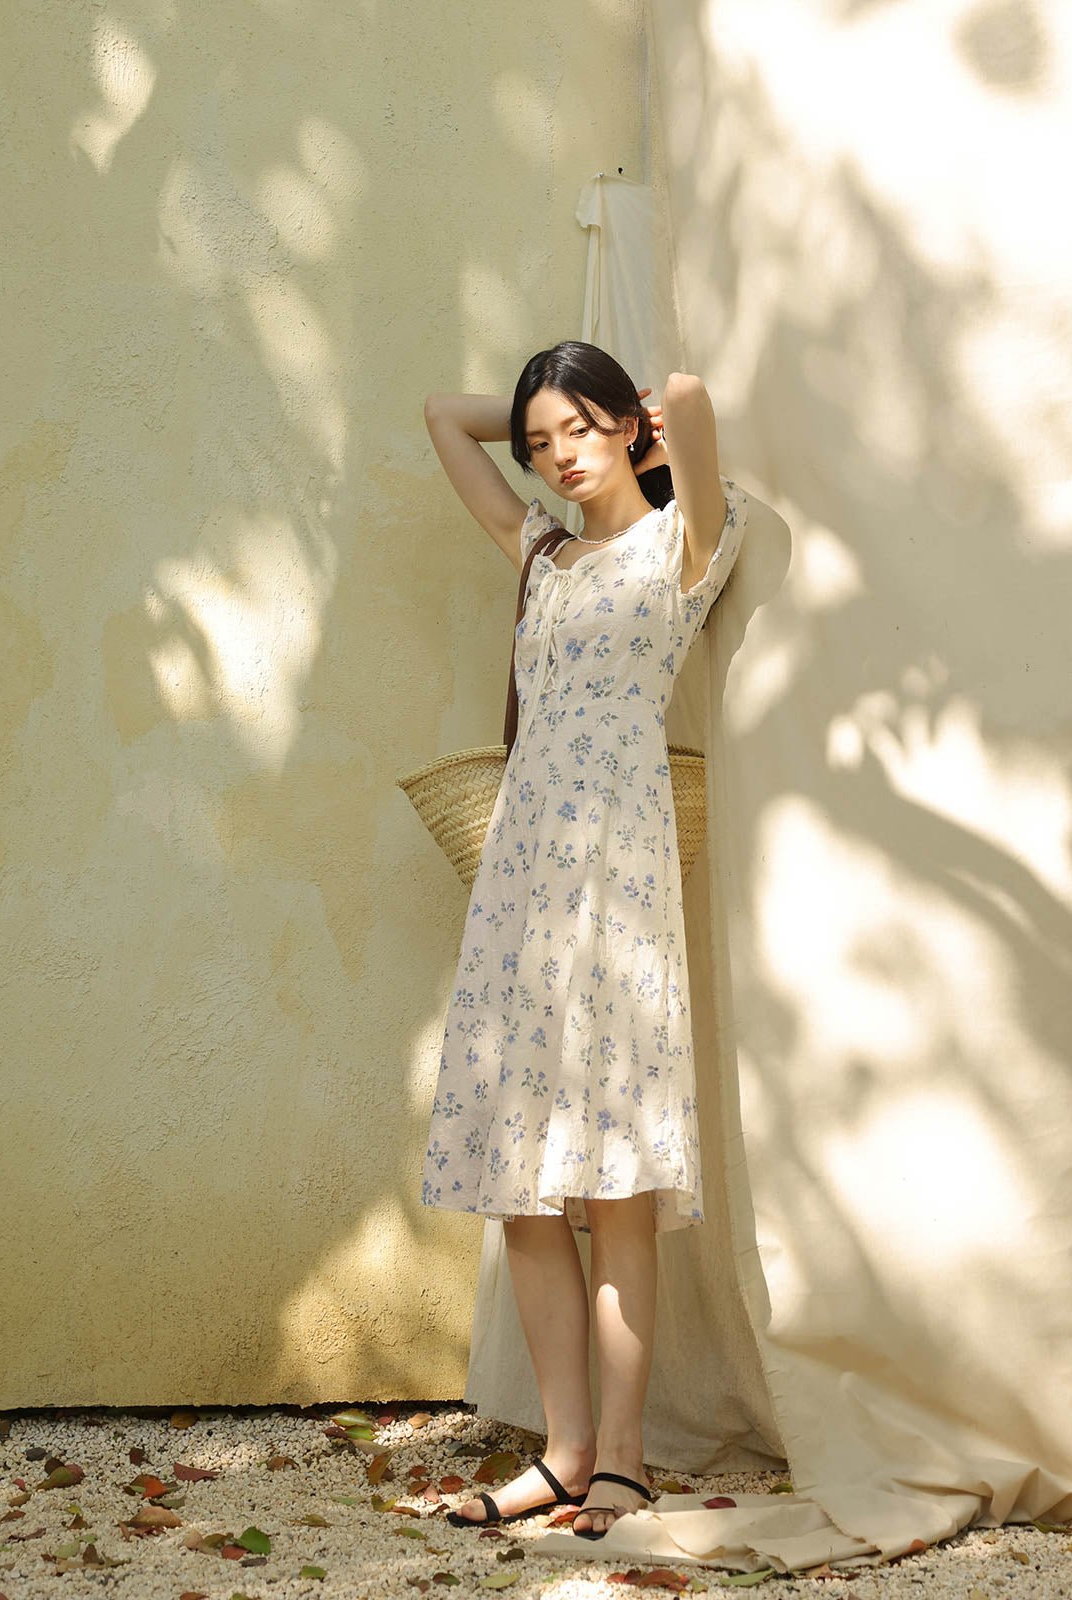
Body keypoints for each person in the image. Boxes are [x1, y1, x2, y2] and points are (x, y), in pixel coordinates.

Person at [419, 341, 748, 1539]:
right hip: (520, 880)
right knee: (522, 1185)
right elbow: (442, 416)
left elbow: (696, 403)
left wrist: (653, 419)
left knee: (615, 1188)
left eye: (578, 430)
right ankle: (560, 1453)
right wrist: (544, 405)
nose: (556, 457)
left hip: (617, 881)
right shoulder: (542, 554)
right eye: (540, 441)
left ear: (625, 423)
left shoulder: (682, 547)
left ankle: (623, 1459)